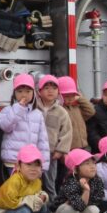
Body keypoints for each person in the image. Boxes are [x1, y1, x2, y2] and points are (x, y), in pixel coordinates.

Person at [0, 73, 50, 183]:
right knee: (14, 189)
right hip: (13, 161)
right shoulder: (8, 110)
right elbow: (5, 126)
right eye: (20, 91)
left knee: (29, 190)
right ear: (14, 93)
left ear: (33, 93)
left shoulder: (37, 114)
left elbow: (43, 141)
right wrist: (18, 109)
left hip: (32, 162)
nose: (24, 94)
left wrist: (43, 164)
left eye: (28, 91)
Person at [50, 149, 105, 213]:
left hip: (80, 211)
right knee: (69, 208)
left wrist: (83, 198)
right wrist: (86, 191)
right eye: (87, 164)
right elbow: (78, 206)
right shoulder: (71, 182)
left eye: (93, 163)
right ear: (75, 169)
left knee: (94, 209)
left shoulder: (97, 180)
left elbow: (98, 199)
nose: (92, 166)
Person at [36, 74, 72, 202]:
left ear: (58, 92)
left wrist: (60, 150)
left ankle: (52, 207)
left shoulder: (61, 111)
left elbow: (66, 132)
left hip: (52, 154)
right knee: (35, 181)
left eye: (54, 88)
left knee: (50, 182)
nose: (50, 91)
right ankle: (37, 207)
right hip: (35, 153)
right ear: (39, 91)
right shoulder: (34, 108)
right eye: (46, 88)